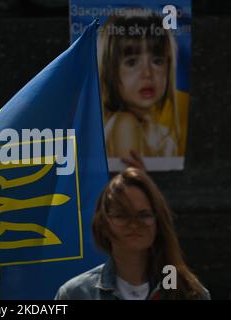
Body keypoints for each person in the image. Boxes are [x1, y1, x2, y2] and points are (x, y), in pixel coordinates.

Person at [55, 168, 210, 300]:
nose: (134, 224)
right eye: (122, 215)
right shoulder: (75, 294)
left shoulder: (189, 293)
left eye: (144, 215)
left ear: (158, 223)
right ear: (103, 225)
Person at [97, 11, 181, 162]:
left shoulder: (161, 133)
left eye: (157, 61)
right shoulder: (125, 123)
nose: (147, 73)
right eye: (132, 62)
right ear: (110, 71)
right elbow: (133, 183)